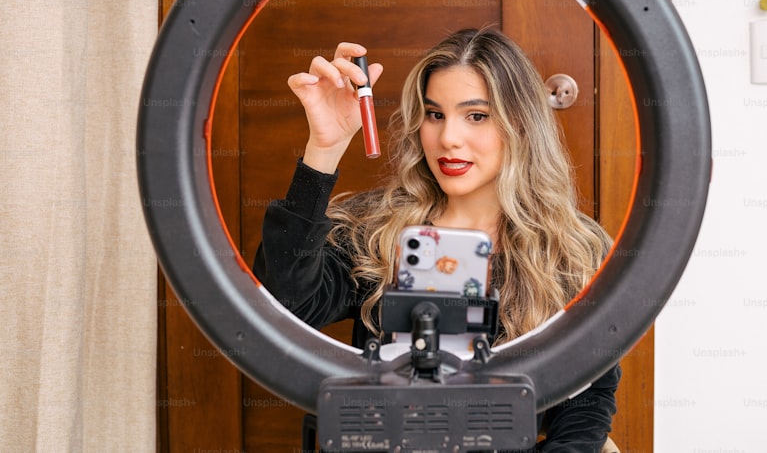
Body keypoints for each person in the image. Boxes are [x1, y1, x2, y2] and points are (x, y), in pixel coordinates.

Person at [253, 27, 621, 451]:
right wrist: (323, 149)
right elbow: (286, 310)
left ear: (520, 123)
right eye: (435, 114)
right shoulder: (376, 229)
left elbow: (587, 400)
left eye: (477, 116)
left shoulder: (574, 248)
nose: (448, 138)